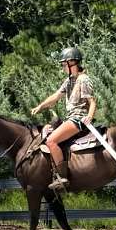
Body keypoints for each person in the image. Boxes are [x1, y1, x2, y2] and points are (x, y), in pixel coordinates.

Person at [31, 47, 97, 191]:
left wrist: (90, 117)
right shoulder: (69, 81)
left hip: (78, 119)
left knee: (51, 141)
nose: (62, 67)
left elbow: (92, 101)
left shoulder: (83, 79)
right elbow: (55, 97)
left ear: (72, 63)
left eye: (63, 64)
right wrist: (40, 106)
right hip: (70, 118)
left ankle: (62, 178)